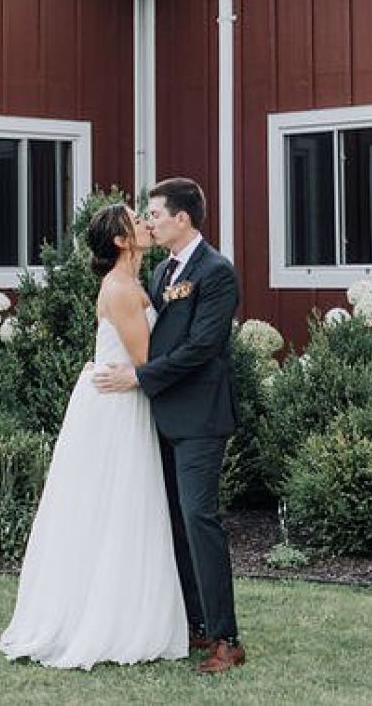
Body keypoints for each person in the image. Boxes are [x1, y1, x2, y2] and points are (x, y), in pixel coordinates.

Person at [0, 203, 188, 670]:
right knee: (116, 506)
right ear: (122, 241)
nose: (145, 221)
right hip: (116, 407)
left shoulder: (137, 282)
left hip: (121, 397)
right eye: (134, 219)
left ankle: (126, 608)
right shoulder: (120, 288)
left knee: (121, 508)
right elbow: (146, 359)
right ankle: (107, 621)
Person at [93, 177, 244, 675]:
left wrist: (138, 376)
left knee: (200, 519)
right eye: (147, 216)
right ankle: (195, 622)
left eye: (155, 214)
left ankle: (227, 637)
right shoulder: (158, 275)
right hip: (158, 415)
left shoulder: (216, 272)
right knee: (174, 523)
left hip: (200, 417)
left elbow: (202, 348)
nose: (149, 221)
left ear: (183, 218)